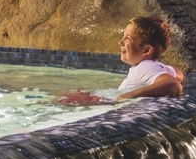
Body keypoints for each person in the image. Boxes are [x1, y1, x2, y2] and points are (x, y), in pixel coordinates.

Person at [57, 16, 185, 105]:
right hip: (108, 99)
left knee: (60, 101)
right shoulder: (151, 66)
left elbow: (173, 85)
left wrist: (127, 96)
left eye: (127, 38)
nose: (120, 42)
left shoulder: (144, 67)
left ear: (146, 50)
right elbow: (178, 73)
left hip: (115, 106)